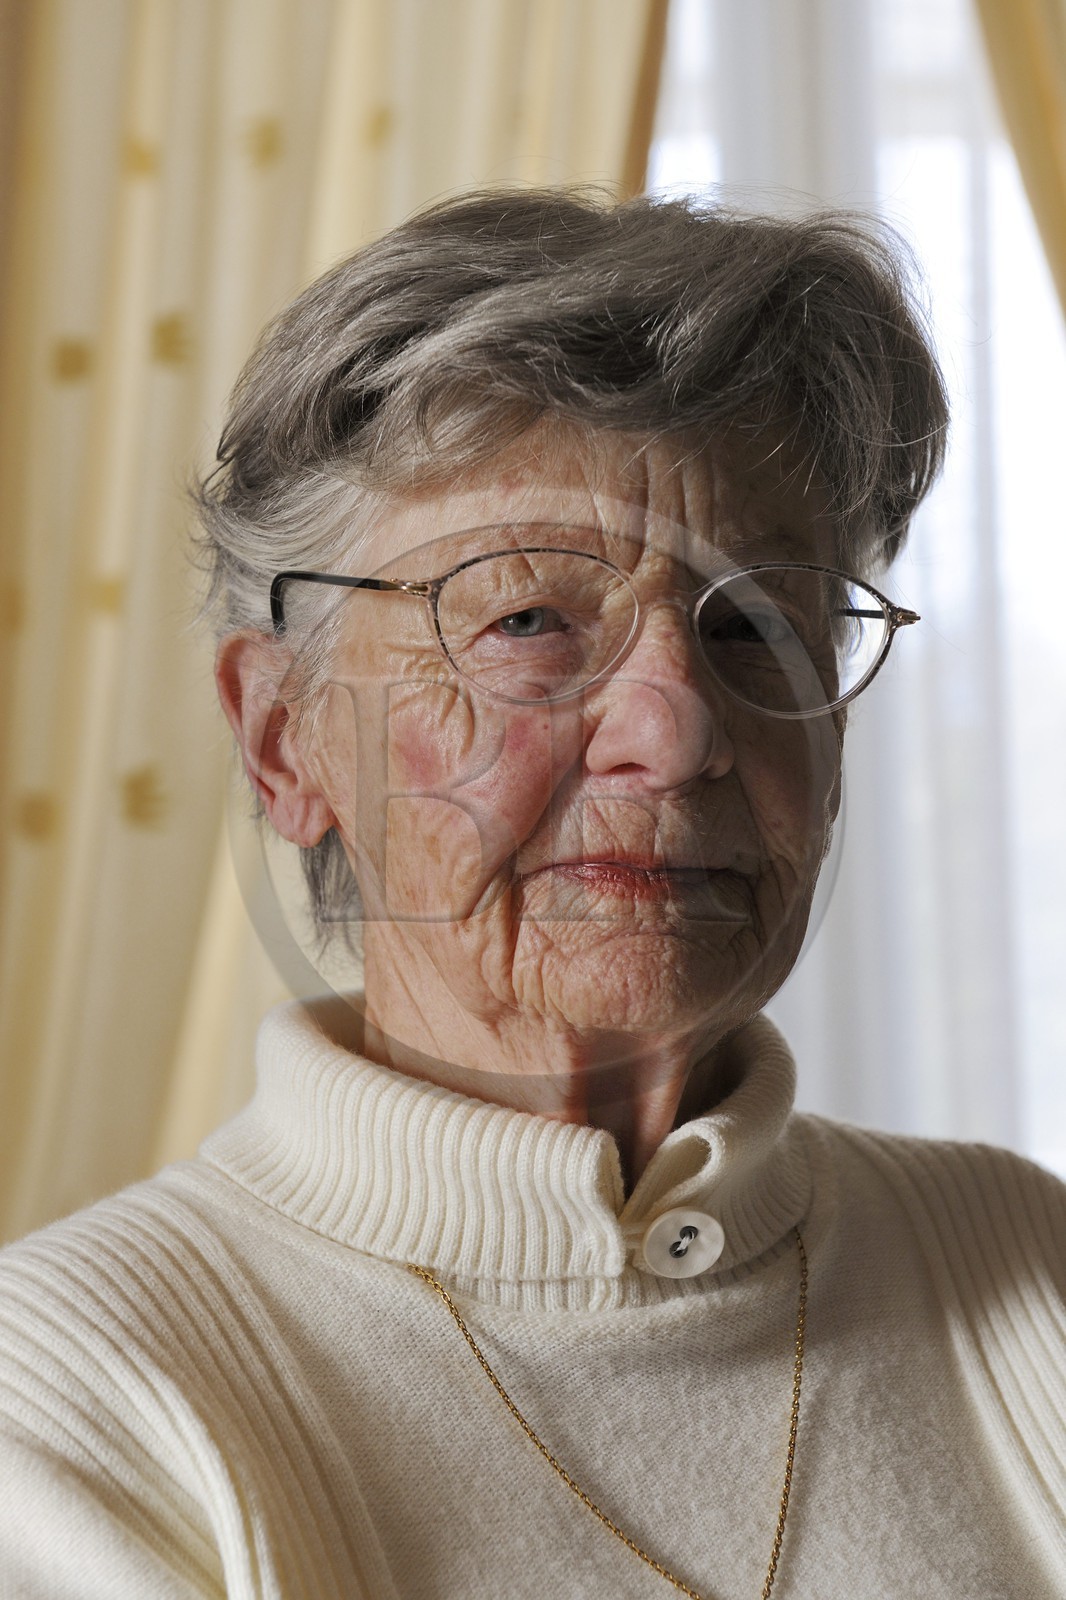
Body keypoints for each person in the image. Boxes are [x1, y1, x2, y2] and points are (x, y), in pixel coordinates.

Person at [0, 189, 1063, 1600]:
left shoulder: (1026, 1270)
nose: (673, 730)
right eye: (527, 620)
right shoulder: (69, 1412)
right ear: (283, 741)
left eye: (757, 626)